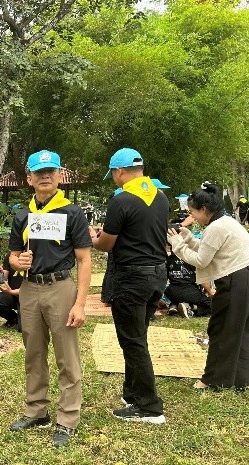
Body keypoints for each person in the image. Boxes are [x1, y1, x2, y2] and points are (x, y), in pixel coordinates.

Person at [8, 150, 92, 447]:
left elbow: (84, 259)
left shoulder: (72, 213)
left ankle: (67, 418)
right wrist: (17, 261)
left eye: (50, 171)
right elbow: (12, 255)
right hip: (30, 289)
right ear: (29, 178)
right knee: (33, 352)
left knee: (66, 355)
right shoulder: (23, 215)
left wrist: (80, 303)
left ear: (59, 176)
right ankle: (36, 410)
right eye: (39, 172)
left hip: (60, 287)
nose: (45, 176)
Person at [91, 148, 168, 425]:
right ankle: (132, 393)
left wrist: (93, 238)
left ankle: (149, 407)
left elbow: (106, 244)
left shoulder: (121, 201)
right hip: (157, 275)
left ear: (119, 171)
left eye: (113, 174)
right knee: (138, 336)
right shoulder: (161, 197)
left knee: (133, 341)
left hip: (131, 278)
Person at [168, 182, 249, 390]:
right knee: (242, 329)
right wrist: (189, 239)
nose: (192, 217)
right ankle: (241, 380)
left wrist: (178, 245)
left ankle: (214, 380)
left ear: (204, 209)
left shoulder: (215, 228)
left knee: (222, 329)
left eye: (193, 212)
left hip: (236, 281)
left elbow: (201, 260)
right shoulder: (225, 222)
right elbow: (209, 249)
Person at [165, 249, 213, 318]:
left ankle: (174, 306)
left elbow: (164, 278)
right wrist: (210, 290)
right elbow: (202, 279)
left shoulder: (169, 259)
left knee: (179, 297)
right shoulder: (193, 259)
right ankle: (190, 307)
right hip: (190, 291)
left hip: (171, 292)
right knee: (212, 305)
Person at [0, 254, 23, 331]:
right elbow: (3, 279)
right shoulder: (10, 256)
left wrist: (12, 291)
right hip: (12, 295)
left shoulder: (32, 256)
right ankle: (14, 319)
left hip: (28, 296)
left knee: (23, 329)